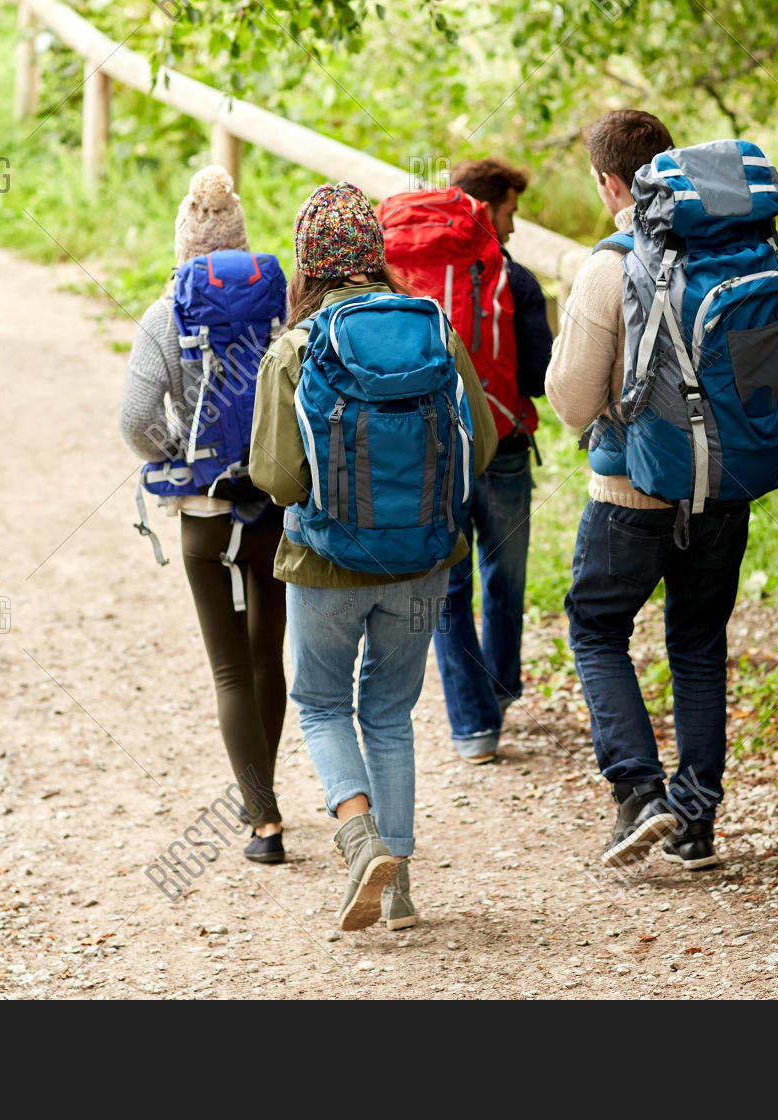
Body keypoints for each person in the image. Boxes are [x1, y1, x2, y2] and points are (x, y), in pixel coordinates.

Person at [248, 183, 498, 932]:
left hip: (327, 566)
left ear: (308, 264)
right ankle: (400, 891)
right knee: (388, 714)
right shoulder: (435, 330)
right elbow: (479, 447)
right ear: (375, 256)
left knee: (321, 704)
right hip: (424, 562)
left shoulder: (296, 348)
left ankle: (360, 842)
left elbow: (279, 478)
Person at [546, 109, 745, 872]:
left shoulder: (611, 264)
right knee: (697, 644)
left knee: (597, 627)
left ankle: (639, 793)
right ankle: (695, 825)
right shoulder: (735, 244)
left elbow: (569, 401)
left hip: (631, 493)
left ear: (609, 183)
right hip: (723, 490)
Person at [119, 166, 289, 865]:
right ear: (241, 245)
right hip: (272, 504)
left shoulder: (166, 315)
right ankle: (264, 798)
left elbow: (133, 419)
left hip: (202, 511)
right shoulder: (283, 305)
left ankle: (264, 820)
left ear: (183, 246)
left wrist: (180, 456)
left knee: (227, 671)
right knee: (265, 657)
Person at [431, 157, 553, 764]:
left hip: (431, 458)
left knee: (447, 589)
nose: (514, 226)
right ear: (487, 208)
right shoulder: (518, 281)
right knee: (503, 577)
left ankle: (473, 728)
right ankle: (500, 693)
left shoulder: (408, 274)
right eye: (510, 212)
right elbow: (536, 375)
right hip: (501, 448)